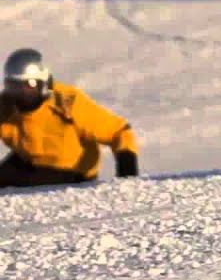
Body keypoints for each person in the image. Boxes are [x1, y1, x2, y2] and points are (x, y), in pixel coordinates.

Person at [1, 48, 139, 188]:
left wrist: (127, 174)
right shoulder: (6, 107)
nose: (21, 93)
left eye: (30, 85)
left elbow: (119, 131)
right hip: (29, 162)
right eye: (13, 86)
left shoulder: (67, 103)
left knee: (23, 188)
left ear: (44, 84)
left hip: (72, 171)